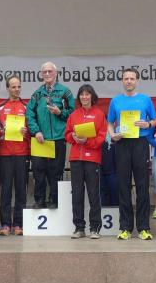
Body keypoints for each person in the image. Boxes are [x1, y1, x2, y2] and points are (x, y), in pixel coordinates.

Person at [107, 68, 156, 240]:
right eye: (126, 78)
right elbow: (109, 123)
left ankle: (144, 228)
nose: (129, 81)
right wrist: (112, 135)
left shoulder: (145, 99)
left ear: (137, 81)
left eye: (132, 78)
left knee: (142, 186)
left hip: (140, 143)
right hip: (122, 143)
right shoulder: (115, 101)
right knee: (123, 186)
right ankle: (125, 228)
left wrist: (148, 124)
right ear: (122, 81)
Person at [26, 62, 75, 209]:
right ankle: (39, 200)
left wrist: (60, 113)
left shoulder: (65, 92)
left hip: (58, 139)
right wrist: (36, 131)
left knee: (56, 171)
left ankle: (55, 200)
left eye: (50, 71)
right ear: (41, 74)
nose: (47, 74)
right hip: (40, 139)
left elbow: (73, 114)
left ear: (56, 73)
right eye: (44, 72)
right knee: (38, 171)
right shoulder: (37, 93)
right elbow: (29, 114)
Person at [65, 84, 107, 239]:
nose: (84, 97)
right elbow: (67, 134)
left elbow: (101, 137)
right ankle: (79, 228)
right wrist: (72, 137)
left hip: (92, 159)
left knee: (93, 194)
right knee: (77, 194)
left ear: (92, 96)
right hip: (76, 158)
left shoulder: (99, 114)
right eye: (81, 94)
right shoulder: (74, 115)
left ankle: (95, 228)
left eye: (87, 94)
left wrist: (87, 141)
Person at [0, 76, 30, 236]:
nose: (17, 89)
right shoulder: (1, 107)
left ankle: (18, 224)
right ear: (8, 88)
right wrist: (1, 131)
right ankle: (5, 224)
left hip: (22, 154)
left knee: (21, 190)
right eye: (13, 87)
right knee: (5, 190)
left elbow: (33, 129)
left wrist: (26, 132)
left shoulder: (26, 106)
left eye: (19, 87)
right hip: (5, 154)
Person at [100, 140, 119, 207]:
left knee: (115, 192)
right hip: (99, 166)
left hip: (114, 168)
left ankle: (116, 211)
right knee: (102, 194)